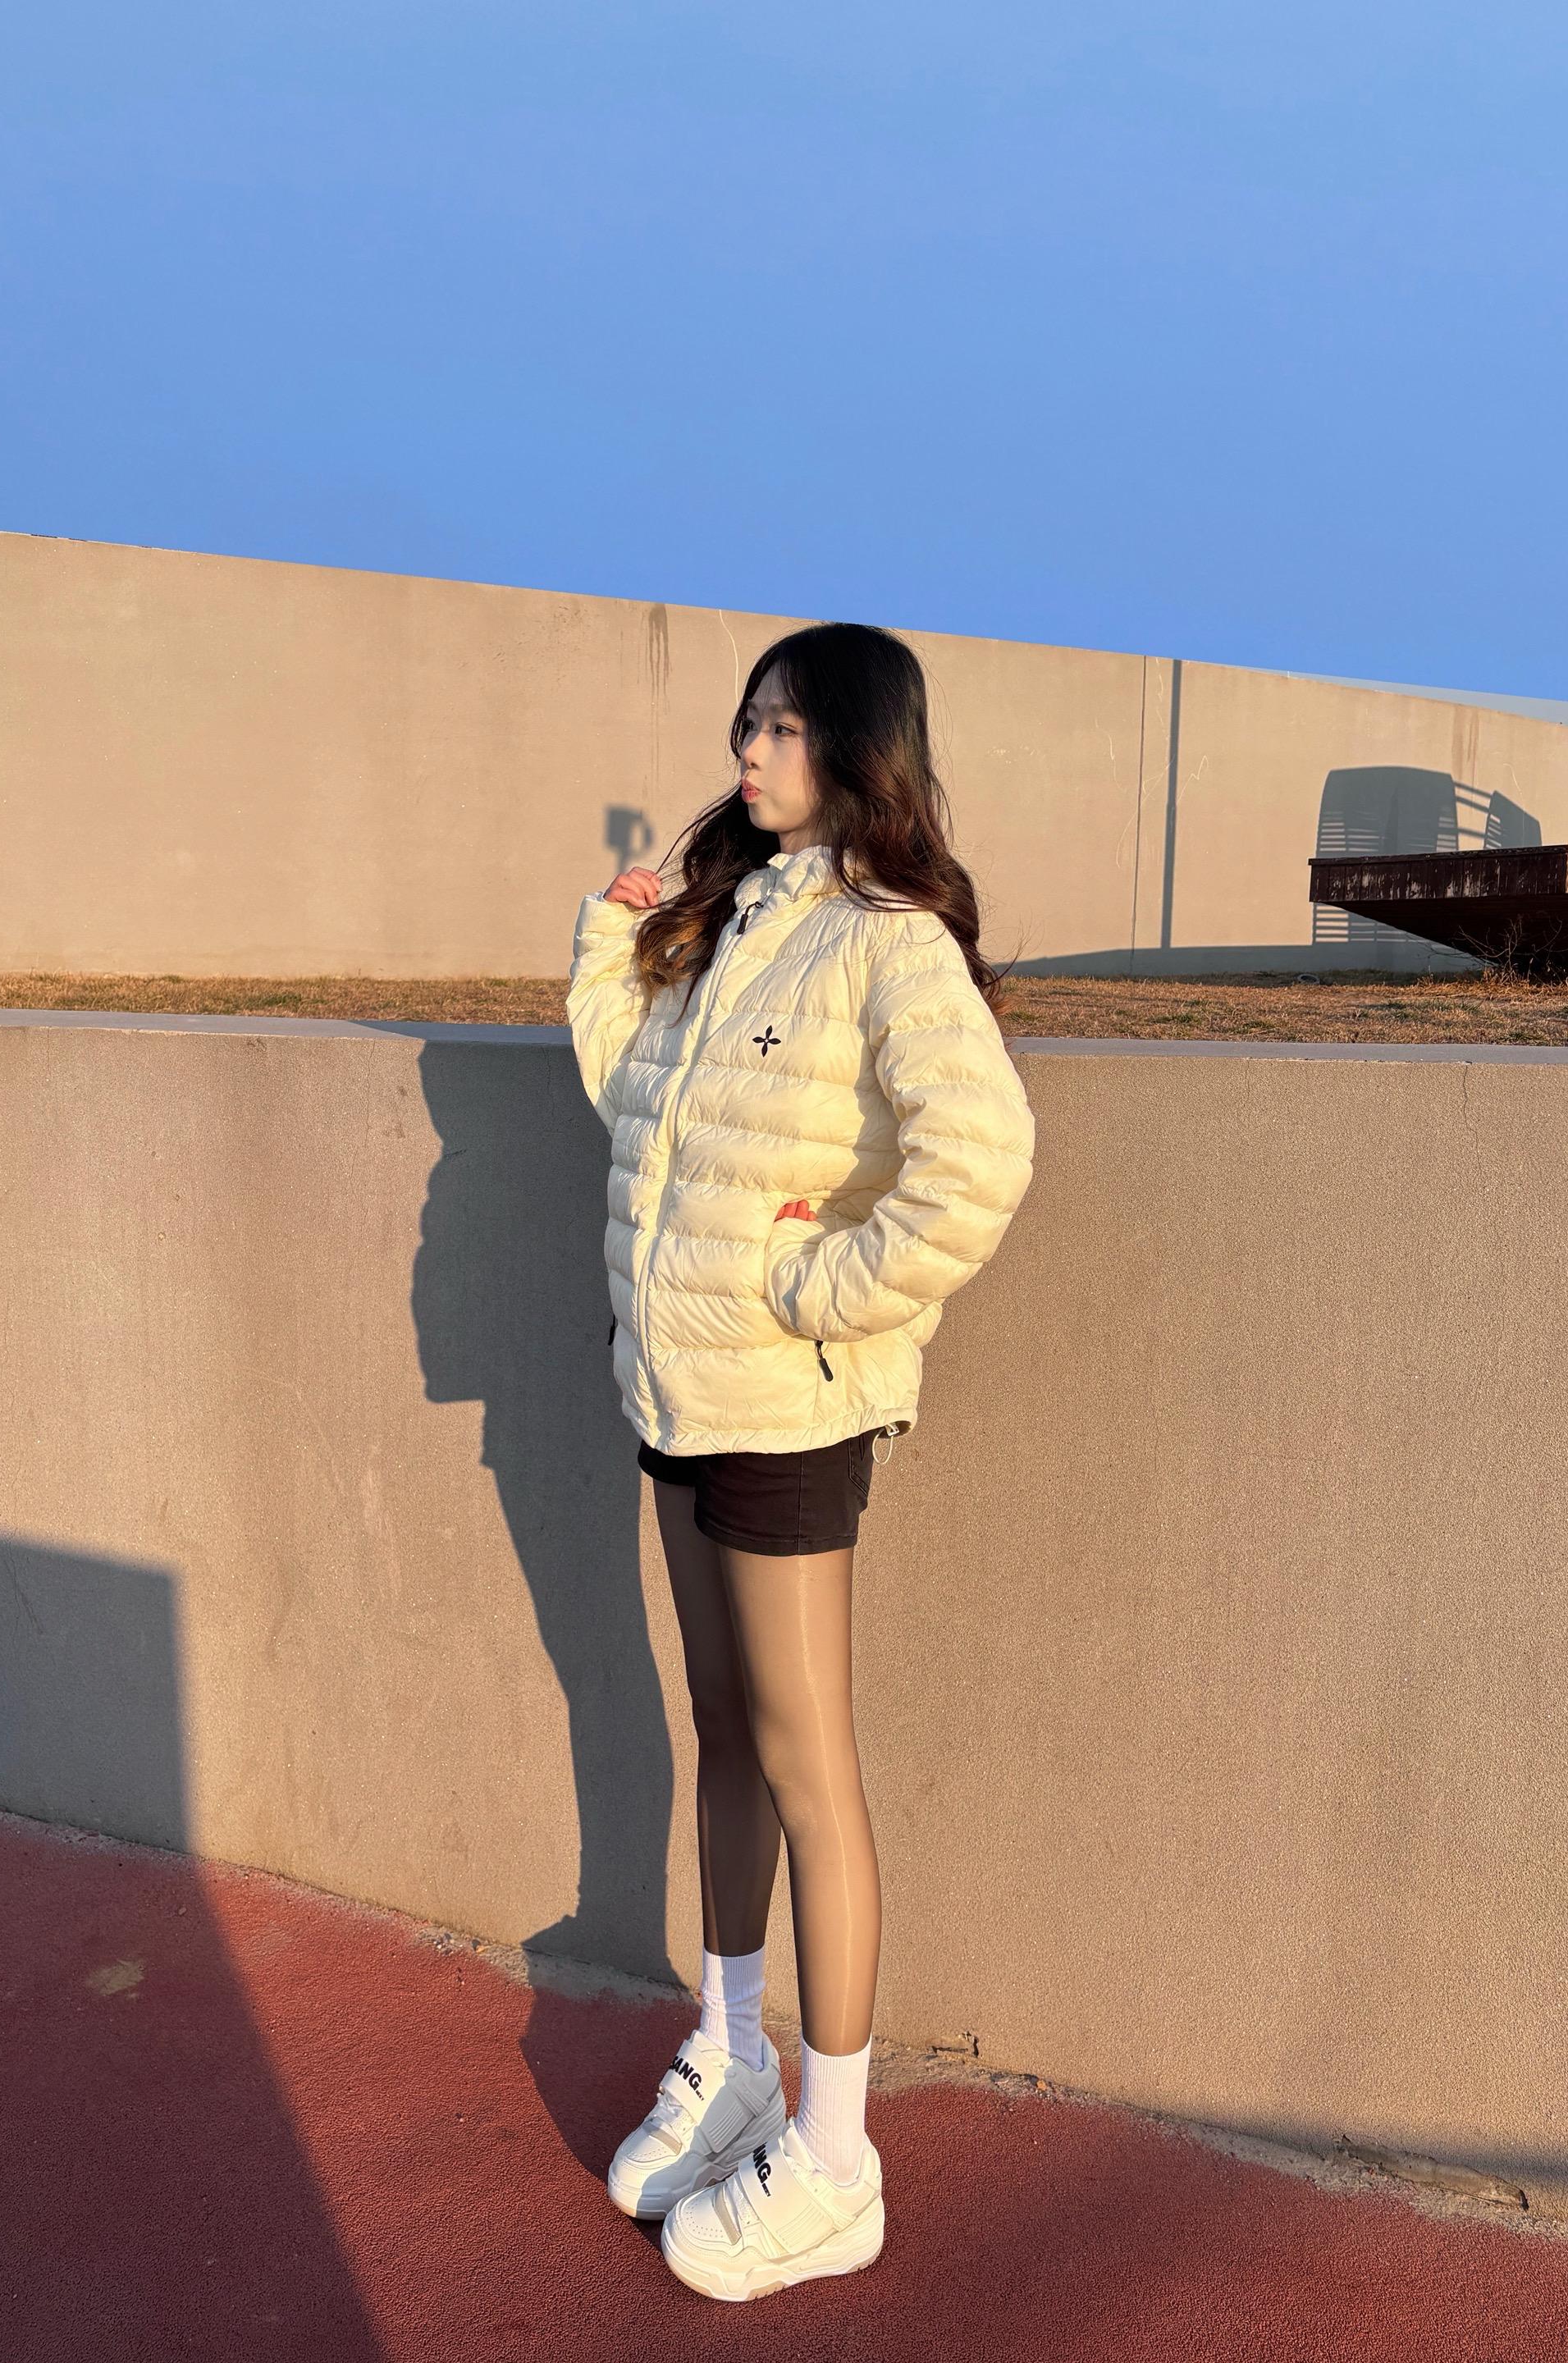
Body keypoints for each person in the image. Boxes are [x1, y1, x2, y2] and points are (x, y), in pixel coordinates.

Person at [565, 621, 1035, 2302]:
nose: (747, 754)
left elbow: (980, 1157)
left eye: (776, 728)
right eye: (744, 726)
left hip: (787, 1408)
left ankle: (839, 2162)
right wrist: (610, 945)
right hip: (680, 1393)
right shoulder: (740, 916)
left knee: (808, 1763)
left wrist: (816, 1289)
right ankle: (737, 2050)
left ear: (851, 745)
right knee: (723, 1727)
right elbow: (633, 1102)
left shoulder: (886, 937)